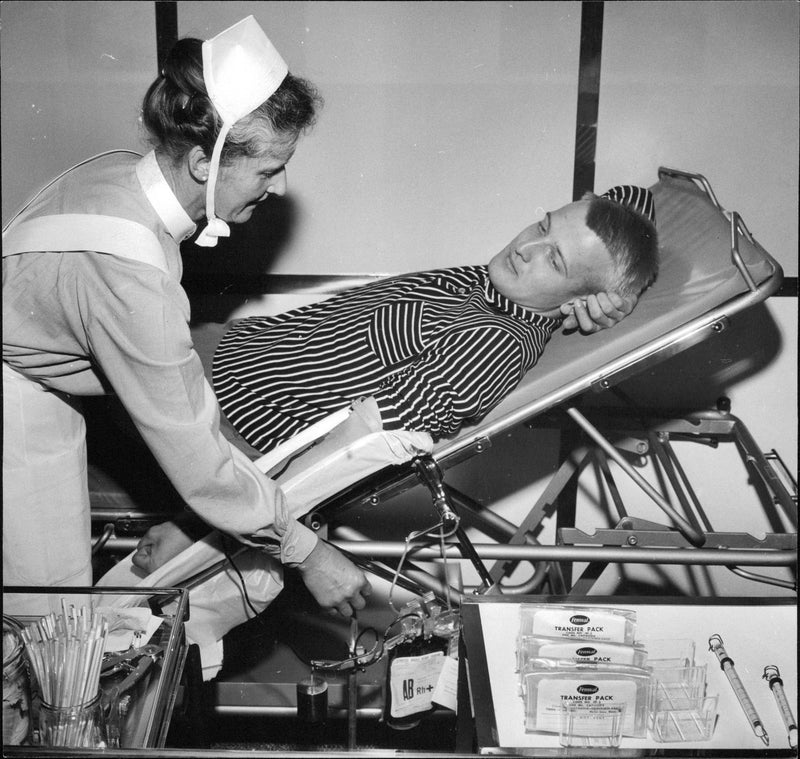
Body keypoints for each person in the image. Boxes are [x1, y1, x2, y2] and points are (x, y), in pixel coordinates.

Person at [2, 17, 370, 618]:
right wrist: (308, 553)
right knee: (48, 628)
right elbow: (198, 466)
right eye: (269, 168)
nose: (279, 187)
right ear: (204, 162)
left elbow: (157, 391)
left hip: (31, 371)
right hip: (16, 388)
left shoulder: (122, 175)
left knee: (55, 620)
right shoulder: (129, 271)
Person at [132, 185, 658, 575]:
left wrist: (198, 528)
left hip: (215, 419)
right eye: (543, 226)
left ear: (575, 299)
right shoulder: (491, 284)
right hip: (211, 353)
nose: (528, 247)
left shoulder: (497, 342)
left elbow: (345, 451)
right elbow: (630, 203)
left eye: (556, 259)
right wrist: (627, 286)